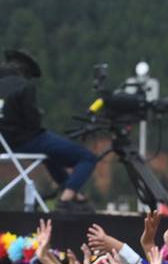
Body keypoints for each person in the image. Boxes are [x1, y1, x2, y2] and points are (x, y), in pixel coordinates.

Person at [0, 49, 96, 209]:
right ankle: (67, 199)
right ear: (25, 71)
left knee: (50, 155)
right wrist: (39, 114)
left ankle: (72, 193)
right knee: (87, 157)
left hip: (3, 145)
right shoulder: (24, 86)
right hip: (23, 142)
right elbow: (32, 123)